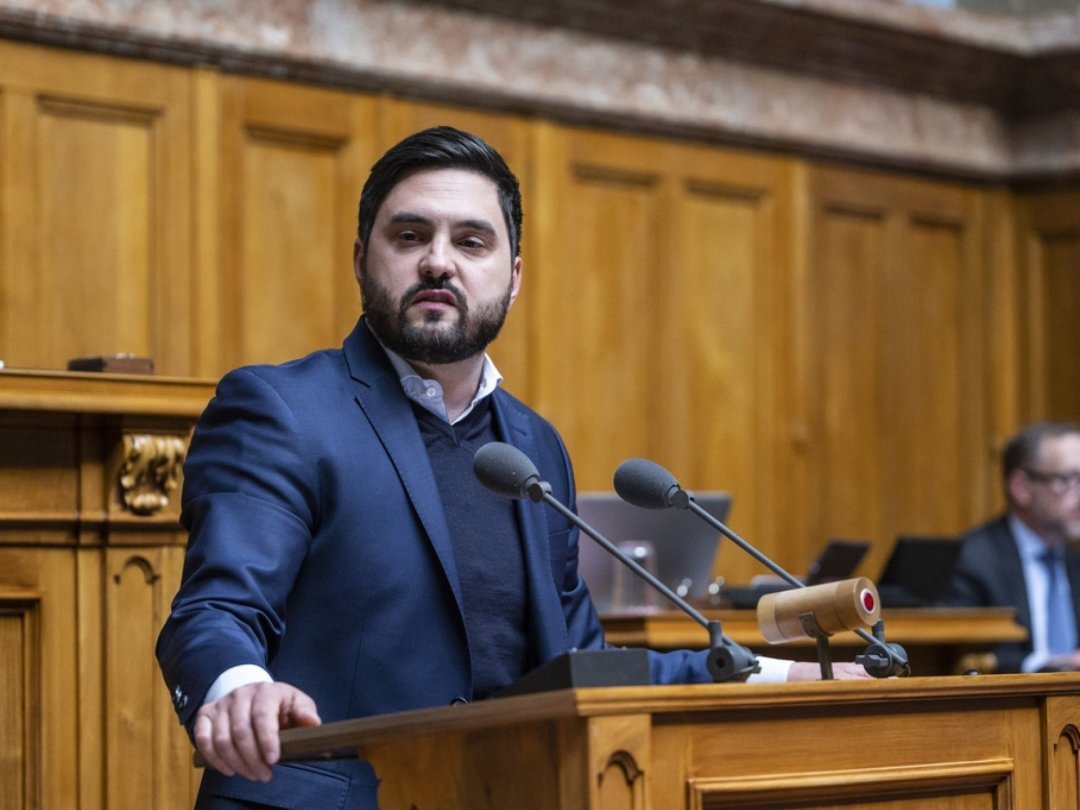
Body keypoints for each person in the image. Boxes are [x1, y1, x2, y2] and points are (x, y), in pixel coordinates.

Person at [156, 125, 869, 810]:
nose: (439, 261)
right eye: (410, 236)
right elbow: (215, 610)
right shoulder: (284, 408)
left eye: (471, 240)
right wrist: (236, 685)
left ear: (514, 275)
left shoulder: (530, 450)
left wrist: (778, 674)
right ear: (360, 259)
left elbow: (582, 672)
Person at [942, 421, 1080, 673]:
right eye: (1070, 479)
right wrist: (1049, 665)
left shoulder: (1075, 562)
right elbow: (958, 658)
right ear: (1022, 488)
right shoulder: (970, 560)